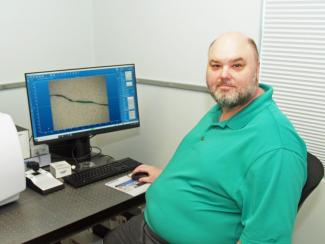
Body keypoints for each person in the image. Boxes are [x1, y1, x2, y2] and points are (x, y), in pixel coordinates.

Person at [104, 32, 307, 244]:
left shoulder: (277, 149)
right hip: (148, 224)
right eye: (215, 65)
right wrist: (166, 176)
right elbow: (211, 169)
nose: (224, 75)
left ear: (257, 69)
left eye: (237, 65)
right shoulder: (225, 108)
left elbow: (265, 240)